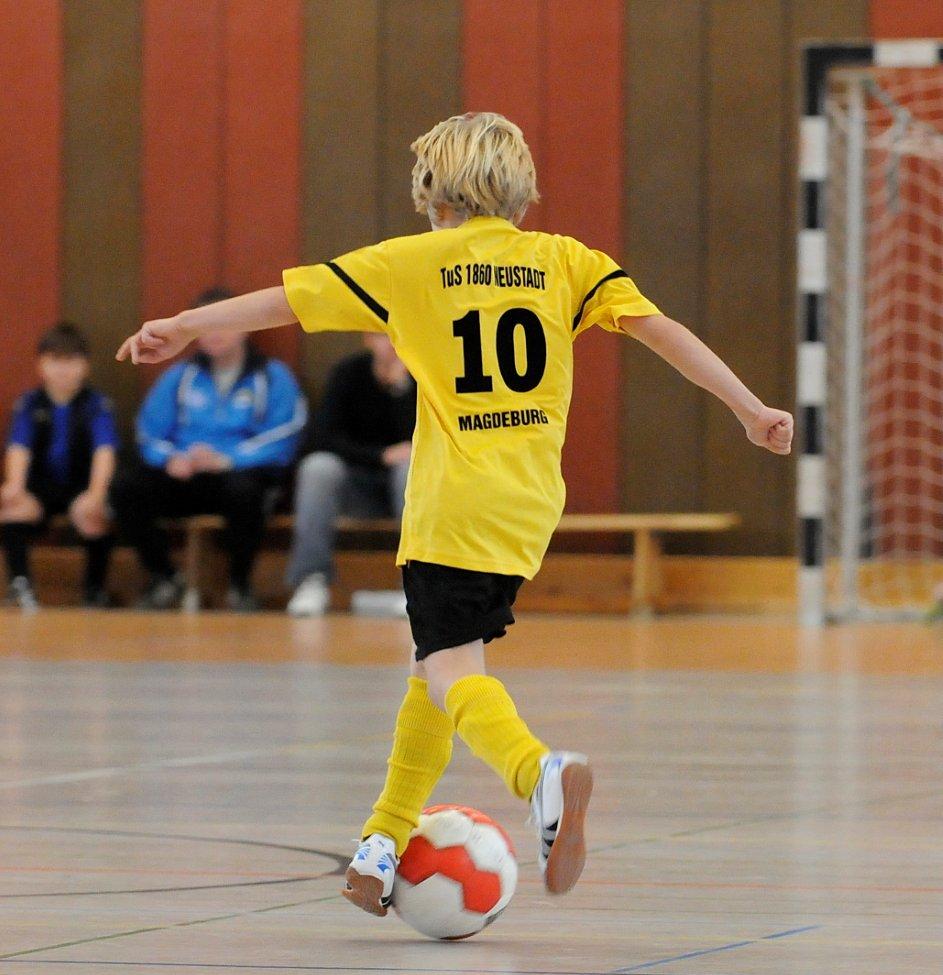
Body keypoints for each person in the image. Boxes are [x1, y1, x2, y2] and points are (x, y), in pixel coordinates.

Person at [117, 112, 794, 916]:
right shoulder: (566, 261)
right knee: (432, 666)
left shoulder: (409, 263)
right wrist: (749, 409)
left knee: (449, 669)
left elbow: (286, 302)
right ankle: (382, 841)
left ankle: (536, 773)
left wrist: (184, 326)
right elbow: (663, 333)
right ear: (522, 191)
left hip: (452, 507)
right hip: (528, 504)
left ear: (433, 194)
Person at [111, 288, 306, 611]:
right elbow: (148, 432)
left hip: (238, 475)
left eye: (222, 323)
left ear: (246, 327)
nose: (214, 333)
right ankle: (164, 577)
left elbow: (285, 435)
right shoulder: (179, 377)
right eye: (205, 325)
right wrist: (171, 458)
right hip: (185, 475)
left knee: (247, 493)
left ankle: (240, 585)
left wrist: (228, 459)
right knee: (126, 488)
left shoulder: (272, 376)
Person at [286, 331, 415, 616]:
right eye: (382, 336)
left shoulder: (423, 377)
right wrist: (380, 456)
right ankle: (311, 579)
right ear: (368, 339)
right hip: (354, 487)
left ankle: (416, 585)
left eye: (397, 335)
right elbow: (323, 437)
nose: (391, 344)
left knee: (410, 470)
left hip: (406, 487)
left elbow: (426, 440)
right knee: (318, 467)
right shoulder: (348, 373)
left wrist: (401, 390)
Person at [1, 323, 118, 609]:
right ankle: (21, 584)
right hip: (40, 488)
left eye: (71, 360)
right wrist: (15, 487)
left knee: (95, 515)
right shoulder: (30, 403)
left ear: (85, 365)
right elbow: (19, 448)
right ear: (40, 364)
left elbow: (104, 451)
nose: (63, 369)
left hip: (80, 487)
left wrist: (96, 494)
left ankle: (94, 590)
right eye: (55, 360)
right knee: (12, 511)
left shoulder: (96, 405)